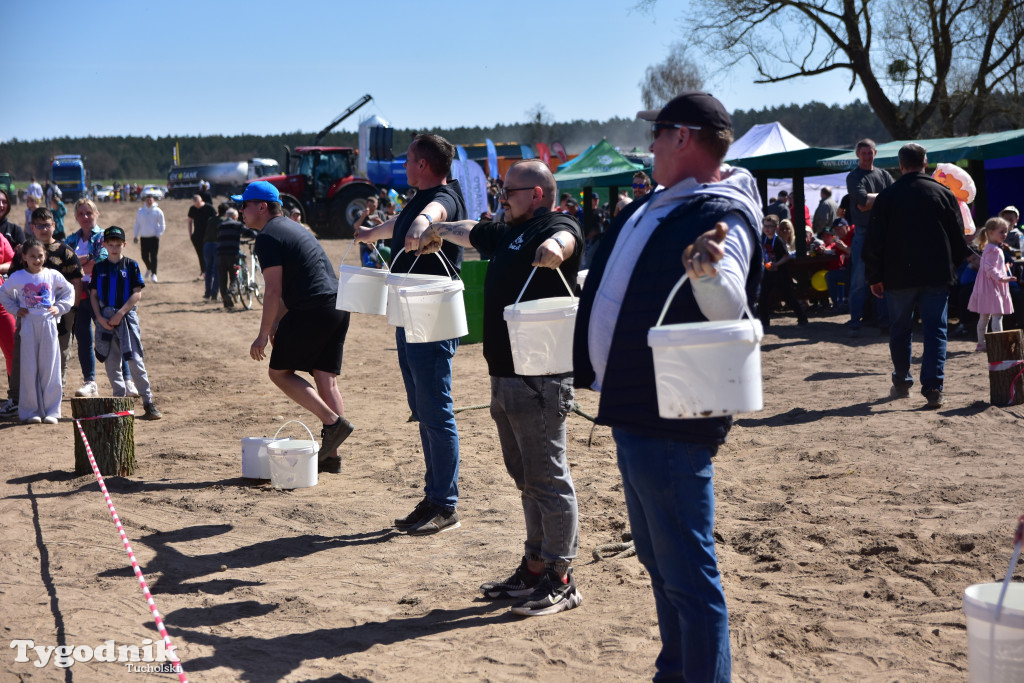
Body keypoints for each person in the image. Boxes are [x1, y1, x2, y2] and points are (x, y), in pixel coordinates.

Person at [573, 92, 763, 682]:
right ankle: (676, 672)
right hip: (639, 407)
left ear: (684, 137)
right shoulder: (670, 201)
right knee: (662, 562)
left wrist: (705, 273)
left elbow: (729, 301)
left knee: (686, 572)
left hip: (671, 414)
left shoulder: (722, 211)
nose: (650, 144)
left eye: (658, 133)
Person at [418, 159, 585, 616]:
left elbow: (568, 237)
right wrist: (438, 229)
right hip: (506, 373)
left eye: (509, 191)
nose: (501, 197)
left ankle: (561, 576)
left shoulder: (554, 223)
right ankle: (535, 565)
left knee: (548, 476)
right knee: (525, 476)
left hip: (541, 376)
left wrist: (555, 248)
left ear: (536, 193)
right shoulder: (507, 229)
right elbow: (473, 231)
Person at [354, 133, 468, 536]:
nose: (403, 166)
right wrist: (373, 233)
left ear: (423, 165)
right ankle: (433, 496)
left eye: (407, 161)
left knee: (436, 409)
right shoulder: (416, 198)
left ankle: (445, 503)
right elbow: (402, 224)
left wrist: (422, 223)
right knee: (423, 408)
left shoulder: (444, 196)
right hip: (411, 312)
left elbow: (434, 214)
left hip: (431, 316)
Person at [238, 181, 354, 473]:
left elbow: (274, 289)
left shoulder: (267, 237)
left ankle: (333, 424)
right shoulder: (294, 227)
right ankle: (332, 457)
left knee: (278, 372)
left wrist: (262, 335)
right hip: (337, 305)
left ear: (261, 208)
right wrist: (278, 322)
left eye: (244, 205)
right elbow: (300, 278)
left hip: (314, 308)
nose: (240, 210)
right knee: (325, 380)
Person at [864, 143, 971, 409]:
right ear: (926, 162)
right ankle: (933, 387)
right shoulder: (944, 193)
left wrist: (874, 276)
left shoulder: (887, 197)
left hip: (897, 276)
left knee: (900, 329)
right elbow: (959, 242)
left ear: (900, 166)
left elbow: (873, 242)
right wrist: (955, 268)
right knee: (936, 331)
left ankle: (902, 382)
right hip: (936, 275)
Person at [89, 227, 162, 420]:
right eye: (110, 244)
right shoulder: (99, 267)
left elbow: (137, 292)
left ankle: (148, 402)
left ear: (124, 244)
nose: (114, 248)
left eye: (118, 244)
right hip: (105, 320)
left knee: (134, 359)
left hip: (126, 319)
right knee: (112, 361)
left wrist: (120, 314)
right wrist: (99, 318)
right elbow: (93, 295)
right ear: (104, 244)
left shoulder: (131, 265)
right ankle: (120, 401)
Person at [0, 237, 74, 424]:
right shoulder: (18, 277)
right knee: (29, 368)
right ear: (24, 257)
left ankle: (52, 410)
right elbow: (4, 293)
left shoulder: (52, 275)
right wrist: (16, 310)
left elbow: (69, 290)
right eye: (32, 256)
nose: (37, 260)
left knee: (50, 367)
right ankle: (30, 410)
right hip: (27, 326)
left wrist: (60, 307)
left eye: (40, 255)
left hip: (48, 325)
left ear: (45, 256)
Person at [847, 138, 894, 336]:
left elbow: (894, 198)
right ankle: (855, 322)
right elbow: (862, 200)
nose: (867, 156)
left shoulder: (884, 175)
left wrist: (870, 202)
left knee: (884, 277)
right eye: (863, 153)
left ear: (875, 153)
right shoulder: (854, 177)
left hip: (883, 231)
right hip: (863, 231)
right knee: (859, 279)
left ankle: (884, 322)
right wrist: (881, 199)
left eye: (870, 153)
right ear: (858, 154)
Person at [968, 217, 1016, 351]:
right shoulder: (993, 249)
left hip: (987, 288)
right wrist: (1003, 278)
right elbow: (989, 268)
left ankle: (981, 343)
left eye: (1006, 232)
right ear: (990, 232)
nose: (1004, 235)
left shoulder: (992, 248)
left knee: (984, 317)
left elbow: (990, 267)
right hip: (992, 288)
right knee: (997, 315)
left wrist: (1005, 268)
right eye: (1001, 232)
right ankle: (997, 344)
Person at [758, 215, 808, 327]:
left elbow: (786, 256)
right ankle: (764, 322)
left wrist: (776, 264)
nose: (767, 228)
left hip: (780, 274)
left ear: (776, 227)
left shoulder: (778, 241)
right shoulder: (763, 239)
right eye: (765, 226)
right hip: (768, 272)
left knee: (788, 297)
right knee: (763, 297)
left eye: (770, 226)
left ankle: (802, 318)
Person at [216, 207, 256, 310]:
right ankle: (230, 293)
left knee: (222, 278)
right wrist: (256, 235)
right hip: (232, 254)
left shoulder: (220, 226)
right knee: (234, 276)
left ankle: (226, 301)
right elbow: (250, 233)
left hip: (220, 255)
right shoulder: (237, 225)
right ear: (234, 216)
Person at [133, 193, 166, 283]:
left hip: (154, 238)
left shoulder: (158, 211)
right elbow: (137, 224)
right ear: (145, 201)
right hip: (144, 237)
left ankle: (154, 274)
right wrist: (135, 235)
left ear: (153, 200)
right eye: (147, 200)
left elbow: (162, 224)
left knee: (154, 256)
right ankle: (149, 267)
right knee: (144, 256)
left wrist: (158, 234)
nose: (149, 201)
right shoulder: (141, 211)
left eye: (150, 199)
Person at [0, 233, 16, 416]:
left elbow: (13, 262)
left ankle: (16, 397)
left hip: (2, 302)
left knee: (13, 349)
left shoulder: (1, 238)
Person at [353, 196, 387, 268]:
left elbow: (386, 227)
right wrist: (363, 216)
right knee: (365, 266)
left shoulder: (380, 214)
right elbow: (356, 227)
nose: (372, 208)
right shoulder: (360, 213)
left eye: (374, 206)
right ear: (366, 205)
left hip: (379, 244)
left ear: (377, 205)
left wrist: (379, 221)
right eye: (369, 206)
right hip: (365, 245)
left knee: (379, 266)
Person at [202, 204, 227, 301]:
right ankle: (214, 294)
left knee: (208, 270)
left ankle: (207, 293)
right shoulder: (224, 221)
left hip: (207, 245)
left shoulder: (210, 219)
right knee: (217, 271)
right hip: (218, 245)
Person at [187, 195, 216, 279]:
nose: (197, 206)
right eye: (195, 204)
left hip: (209, 235)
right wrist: (190, 234)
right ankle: (203, 272)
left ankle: (211, 272)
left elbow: (216, 218)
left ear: (201, 200)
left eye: (198, 204)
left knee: (210, 255)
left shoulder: (209, 208)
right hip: (197, 236)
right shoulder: (192, 209)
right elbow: (189, 221)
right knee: (200, 255)